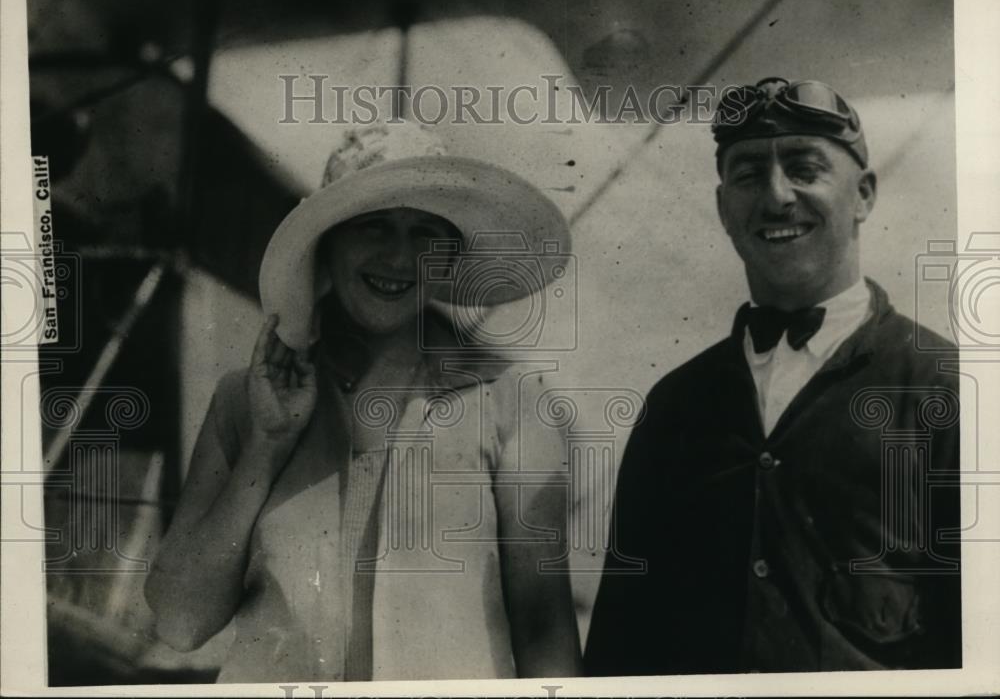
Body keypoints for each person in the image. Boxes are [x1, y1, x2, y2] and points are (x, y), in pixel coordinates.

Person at [145, 124, 583, 682]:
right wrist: (266, 446)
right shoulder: (244, 400)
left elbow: (545, 630)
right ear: (326, 244)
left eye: (426, 233)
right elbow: (180, 624)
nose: (399, 256)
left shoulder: (512, 403)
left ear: (450, 258)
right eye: (373, 226)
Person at [584, 78, 961, 674]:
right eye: (749, 175)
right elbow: (617, 647)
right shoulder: (677, 404)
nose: (777, 196)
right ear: (721, 207)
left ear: (863, 195)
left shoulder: (951, 390)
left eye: (805, 169)